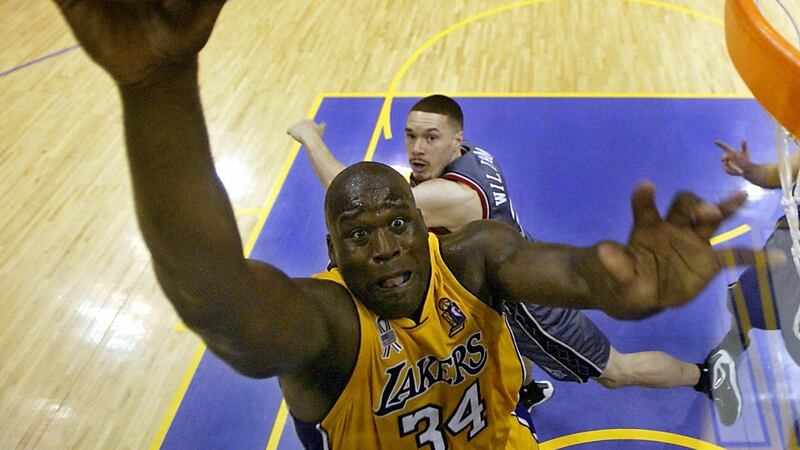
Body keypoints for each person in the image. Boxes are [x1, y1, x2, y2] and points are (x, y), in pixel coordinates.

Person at [53, 1, 764, 448]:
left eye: (398, 222)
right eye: (359, 235)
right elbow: (215, 298)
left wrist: (619, 285)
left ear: (424, 222)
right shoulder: (324, 328)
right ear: (331, 252)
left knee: (600, 368)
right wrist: (157, 89)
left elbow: (568, 271)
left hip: (505, 399)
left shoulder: (473, 252)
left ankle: (641, 378)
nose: (387, 244)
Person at [287, 95, 726, 410]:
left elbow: (349, 194)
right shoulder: (476, 155)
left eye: (431, 138)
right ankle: (523, 387)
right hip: (501, 275)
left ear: (455, 140)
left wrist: (310, 138)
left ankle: (703, 374)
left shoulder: (450, 196)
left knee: (614, 372)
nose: (418, 149)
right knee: (489, 339)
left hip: (529, 301)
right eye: (411, 136)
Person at [703, 139, 800, 426]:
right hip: (790, 244)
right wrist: (748, 169)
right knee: (745, 303)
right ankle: (730, 352)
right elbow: (777, 175)